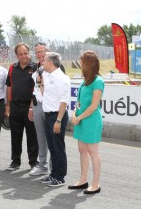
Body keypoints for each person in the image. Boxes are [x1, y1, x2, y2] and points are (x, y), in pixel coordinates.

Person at [69, 50, 104, 194]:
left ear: (88, 64)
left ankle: (95, 184)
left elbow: (94, 106)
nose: (80, 64)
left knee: (92, 152)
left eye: (82, 62)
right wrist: (73, 114)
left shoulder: (98, 81)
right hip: (81, 119)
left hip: (91, 121)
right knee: (82, 150)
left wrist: (79, 117)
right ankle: (83, 180)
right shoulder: (85, 82)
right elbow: (79, 102)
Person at [5, 43, 39, 171]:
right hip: (15, 107)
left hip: (30, 107)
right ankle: (15, 161)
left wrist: (32, 107)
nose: (24, 56)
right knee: (15, 135)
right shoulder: (12, 68)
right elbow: (9, 87)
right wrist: (8, 105)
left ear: (29, 53)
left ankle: (33, 162)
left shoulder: (36, 67)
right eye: (21, 54)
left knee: (32, 136)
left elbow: (38, 88)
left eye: (25, 53)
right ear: (17, 56)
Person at [42, 52, 70, 187]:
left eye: (45, 60)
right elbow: (45, 94)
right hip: (48, 115)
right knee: (52, 147)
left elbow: (64, 101)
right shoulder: (46, 75)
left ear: (51, 62)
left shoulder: (62, 78)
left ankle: (60, 177)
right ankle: (53, 174)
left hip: (57, 116)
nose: (42, 62)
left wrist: (58, 120)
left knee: (58, 147)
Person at [28, 42, 49, 176]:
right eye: (37, 52)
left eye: (42, 51)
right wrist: (31, 107)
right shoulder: (35, 67)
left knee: (52, 137)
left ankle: (54, 167)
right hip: (37, 105)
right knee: (40, 137)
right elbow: (33, 88)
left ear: (47, 51)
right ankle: (42, 165)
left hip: (49, 105)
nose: (39, 54)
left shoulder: (55, 66)